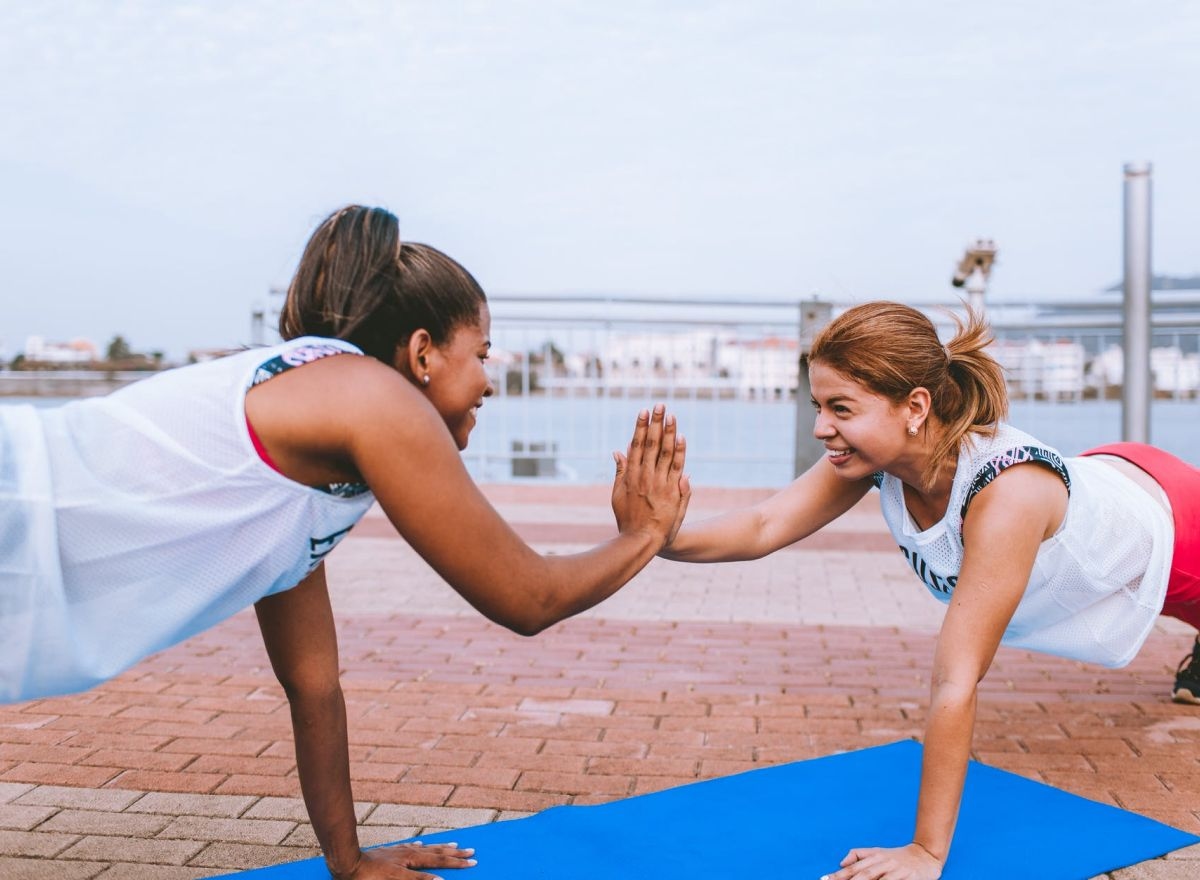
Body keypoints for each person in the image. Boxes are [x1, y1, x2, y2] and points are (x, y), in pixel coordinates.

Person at [0, 204, 691, 880]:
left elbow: (313, 684)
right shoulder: (368, 397)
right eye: (480, 353)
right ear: (422, 352)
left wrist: (349, 861)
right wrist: (644, 533)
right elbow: (526, 598)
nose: (490, 381)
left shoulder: (312, 446)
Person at [659, 300, 1199, 880]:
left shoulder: (1006, 494)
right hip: (1106, 478)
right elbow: (765, 526)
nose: (820, 427)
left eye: (840, 408)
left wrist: (927, 851)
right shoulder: (874, 458)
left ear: (915, 406)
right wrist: (658, 535)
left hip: (1172, 527)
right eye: (818, 406)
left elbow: (956, 679)